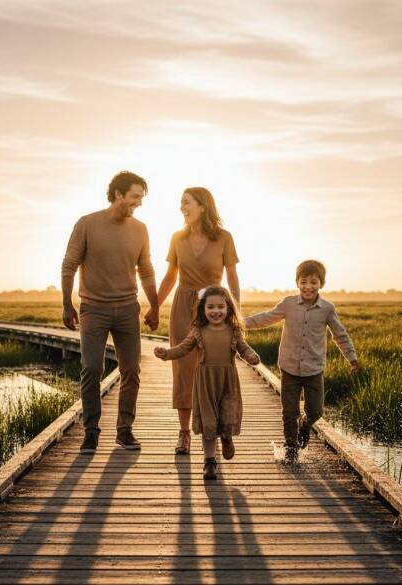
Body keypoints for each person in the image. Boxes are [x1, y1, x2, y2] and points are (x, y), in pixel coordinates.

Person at [61, 171, 160, 453]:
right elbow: (69, 265)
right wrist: (67, 304)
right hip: (94, 308)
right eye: (135, 196)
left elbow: (147, 270)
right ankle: (91, 431)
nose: (139, 202)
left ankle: (124, 430)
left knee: (132, 370)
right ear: (118, 194)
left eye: (141, 197)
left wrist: (154, 305)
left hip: (128, 308)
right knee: (92, 368)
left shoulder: (140, 229)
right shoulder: (87, 224)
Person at [244, 260, 359, 461]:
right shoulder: (288, 304)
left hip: (314, 369)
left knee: (315, 411)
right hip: (289, 368)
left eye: (313, 282)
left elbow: (339, 334)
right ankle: (291, 448)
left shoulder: (327, 308)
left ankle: (305, 425)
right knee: (289, 411)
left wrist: (351, 357)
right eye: (304, 281)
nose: (308, 286)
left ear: (321, 284)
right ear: (297, 282)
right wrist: (241, 323)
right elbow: (267, 317)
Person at [155, 188, 241, 455]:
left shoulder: (224, 238)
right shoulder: (177, 238)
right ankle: (184, 434)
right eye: (180, 202)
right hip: (183, 306)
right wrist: (154, 306)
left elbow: (232, 277)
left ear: (202, 206)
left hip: (214, 306)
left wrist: (234, 312)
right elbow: (170, 276)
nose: (181, 206)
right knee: (183, 371)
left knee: (216, 367)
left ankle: (220, 429)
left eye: (186, 202)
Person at [154, 286, 259, 480]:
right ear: (203, 309)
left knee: (227, 414)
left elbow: (243, 348)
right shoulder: (198, 331)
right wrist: (167, 354)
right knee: (209, 422)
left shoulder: (234, 330)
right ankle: (209, 461)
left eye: (220, 306)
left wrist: (251, 356)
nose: (216, 311)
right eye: (210, 307)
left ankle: (226, 437)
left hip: (228, 382)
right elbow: (183, 348)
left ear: (228, 308)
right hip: (205, 383)